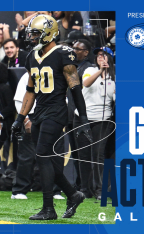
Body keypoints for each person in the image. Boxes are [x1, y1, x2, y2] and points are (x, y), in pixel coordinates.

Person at [11, 14, 92, 220]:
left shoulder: (64, 53)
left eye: (36, 33)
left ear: (48, 34)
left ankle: (49, 208)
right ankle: (73, 194)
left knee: (42, 156)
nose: (32, 37)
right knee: (49, 162)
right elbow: (30, 90)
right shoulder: (32, 56)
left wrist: (82, 118)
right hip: (39, 112)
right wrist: (20, 118)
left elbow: (75, 88)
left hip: (56, 111)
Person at [75, 47, 115, 200]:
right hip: (83, 117)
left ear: (110, 59)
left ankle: (100, 190)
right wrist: (100, 71)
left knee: (98, 155)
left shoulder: (114, 78)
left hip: (103, 119)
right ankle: (85, 189)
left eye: (104, 55)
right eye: (98, 55)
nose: (100, 57)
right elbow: (86, 83)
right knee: (83, 154)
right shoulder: (90, 70)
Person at [65, 39, 93, 190]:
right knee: (75, 153)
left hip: (80, 116)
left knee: (83, 154)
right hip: (70, 115)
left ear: (86, 52)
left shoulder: (87, 69)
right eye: (72, 48)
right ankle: (80, 183)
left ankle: (86, 186)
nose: (73, 50)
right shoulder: (72, 67)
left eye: (77, 49)